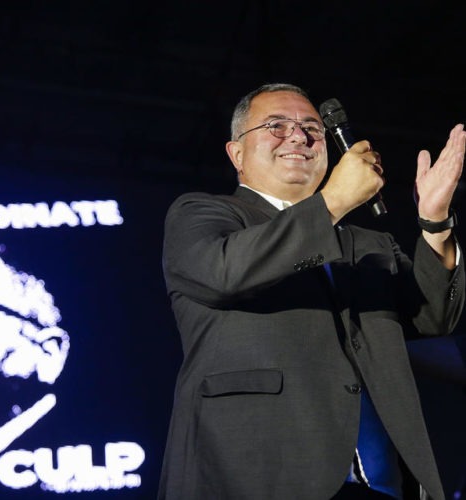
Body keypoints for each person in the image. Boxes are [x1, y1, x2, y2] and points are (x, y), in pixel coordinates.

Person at [158, 83, 466, 500]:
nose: (299, 137)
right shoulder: (203, 214)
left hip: (383, 481)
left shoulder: (368, 243)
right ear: (237, 154)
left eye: (312, 129)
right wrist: (334, 200)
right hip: (260, 477)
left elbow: (432, 316)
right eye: (276, 126)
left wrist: (434, 223)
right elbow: (224, 271)